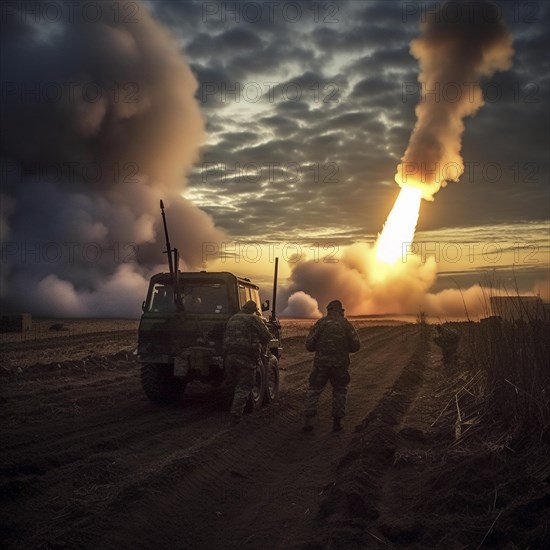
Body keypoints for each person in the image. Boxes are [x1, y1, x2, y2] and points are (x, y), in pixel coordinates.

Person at [303, 300, 361, 433]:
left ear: (328, 310)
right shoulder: (345, 324)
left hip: (321, 364)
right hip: (340, 365)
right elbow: (356, 346)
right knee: (339, 391)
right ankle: (337, 423)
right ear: (340, 310)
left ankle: (308, 420)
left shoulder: (320, 324)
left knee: (314, 390)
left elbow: (309, 345)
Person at [223, 300, 272, 426]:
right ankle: (236, 415)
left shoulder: (233, 318)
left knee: (232, 384)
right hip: (246, 358)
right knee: (244, 387)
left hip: (230, 357)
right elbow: (267, 336)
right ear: (253, 310)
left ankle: (229, 407)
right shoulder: (253, 319)